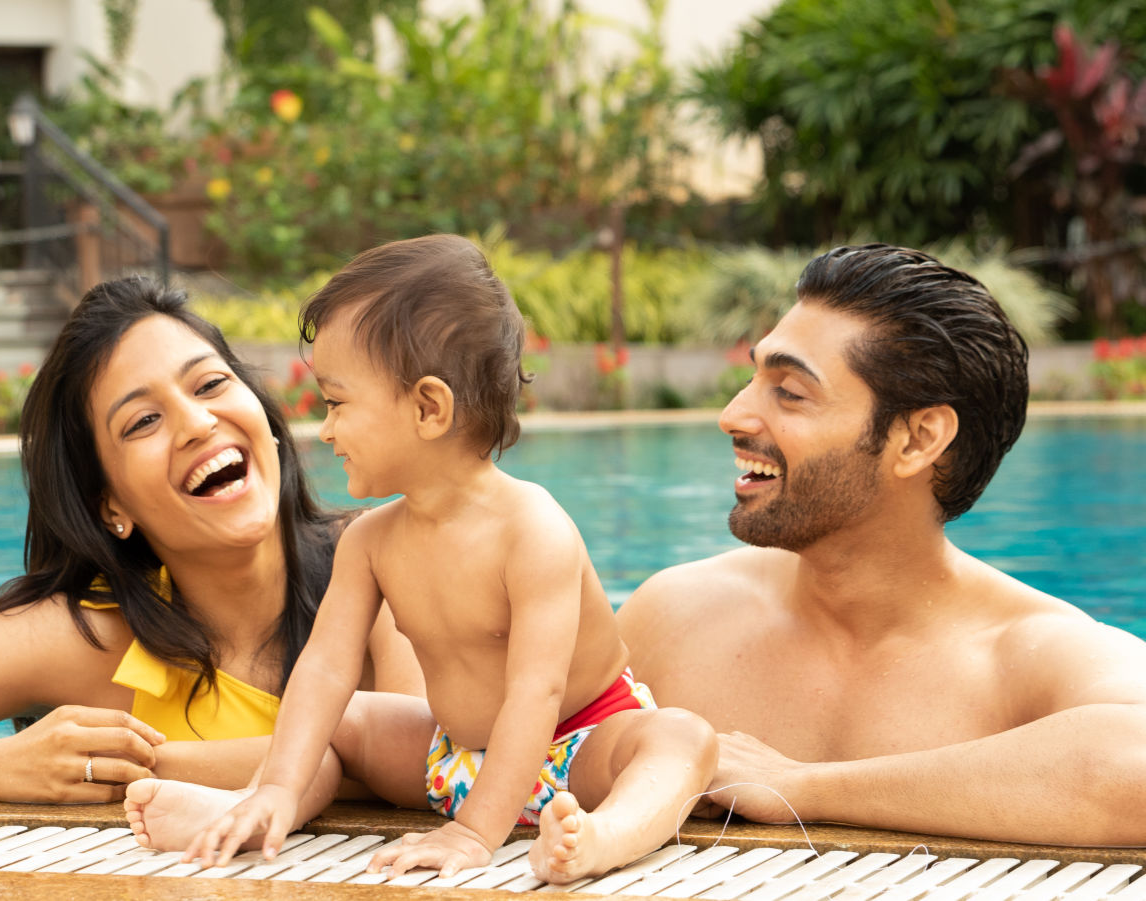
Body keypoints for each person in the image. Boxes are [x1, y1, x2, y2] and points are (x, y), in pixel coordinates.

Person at [126, 235, 717, 884]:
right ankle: (261, 805)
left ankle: (603, 837)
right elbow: (324, 668)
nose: (324, 430)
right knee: (345, 716)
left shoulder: (533, 530)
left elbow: (536, 692)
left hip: (577, 748)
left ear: (428, 408)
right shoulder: (372, 541)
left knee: (681, 739)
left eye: (337, 402)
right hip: (449, 755)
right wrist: (281, 782)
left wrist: (473, 832)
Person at [0, 276, 423, 802]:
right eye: (141, 422)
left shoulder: (382, 559)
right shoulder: (88, 636)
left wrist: (145, 770)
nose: (197, 422)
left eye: (210, 384)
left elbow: (436, 764)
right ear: (109, 503)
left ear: (265, 419)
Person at [618, 243, 1146, 846]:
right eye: (753, 376)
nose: (734, 414)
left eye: (789, 392)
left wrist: (805, 787)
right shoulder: (677, 616)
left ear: (919, 439)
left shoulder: (1024, 655)